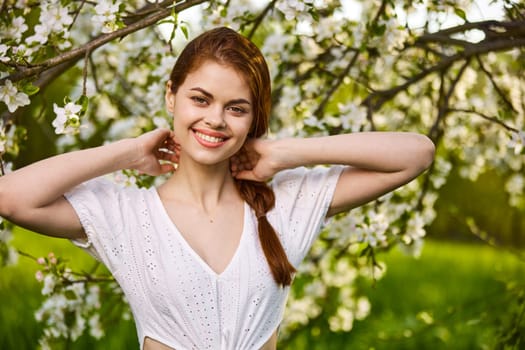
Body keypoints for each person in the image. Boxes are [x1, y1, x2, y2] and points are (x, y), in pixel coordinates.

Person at [0, 27, 435, 350]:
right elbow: (11, 197)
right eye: (201, 99)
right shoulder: (127, 215)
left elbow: (416, 153)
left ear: (253, 118)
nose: (216, 120)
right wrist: (126, 152)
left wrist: (287, 153)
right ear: (172, 96)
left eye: (236, 108)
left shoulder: (285, 205)